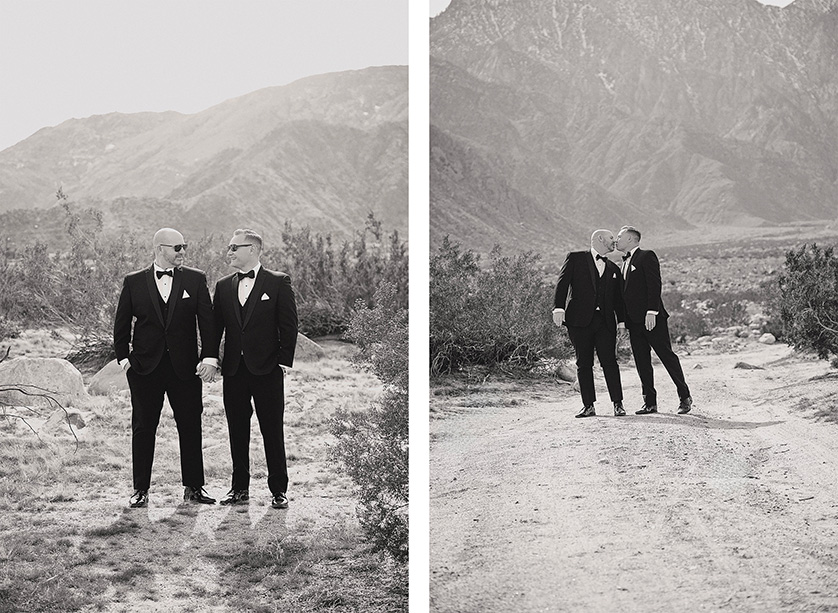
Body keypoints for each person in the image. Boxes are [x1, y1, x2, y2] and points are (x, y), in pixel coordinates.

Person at [114, 227, 218, 508]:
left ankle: (194, 488)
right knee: (144, 428)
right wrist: (124, 360)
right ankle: (140, 490)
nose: (182, 252)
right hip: (145, 369)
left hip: (184, 369)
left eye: (184, 246)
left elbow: (206, 323)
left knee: (190, 425)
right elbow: (121, 323)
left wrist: (209, 357)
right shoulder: (134, 281)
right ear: (160, 248)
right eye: (177, 248)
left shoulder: (196, 280)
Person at [205, 228, 298, 509]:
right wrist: (210, 358)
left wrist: (282, 362)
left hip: (267, 369)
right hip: (234, 370)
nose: (229, 252)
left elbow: (289, 325)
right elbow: (214, 329)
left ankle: (278, 490)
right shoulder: (223, 286)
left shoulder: (278, 282)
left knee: (272, 430)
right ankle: (239, 489)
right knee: (237, 430)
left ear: (253, 250)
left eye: (234, 247)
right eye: (229, 247)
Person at [615, 225, 692, 415]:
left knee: (666, 356)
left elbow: (654, 285)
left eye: (619, 236)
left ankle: (684, 397)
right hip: (634, 322)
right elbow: (622, 298)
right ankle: (649, 403)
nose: (616, 239)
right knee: (642, 362)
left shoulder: (647, 256)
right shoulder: (623, 263)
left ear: (631, 239)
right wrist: (623, 323)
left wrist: (652, 312)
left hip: (653, 319)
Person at [553, 229, 626, 418]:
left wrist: (622, 323)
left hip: (606, 323)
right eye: (611, 238)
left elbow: (618, 299)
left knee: (610, 362)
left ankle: (618, 404)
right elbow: (562, 284)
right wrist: (558, 308)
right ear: (600, 239)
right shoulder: (575, 258)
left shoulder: (613, 269)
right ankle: (588, 406)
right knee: (583, 363)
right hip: (579, 321)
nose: (614, 242)